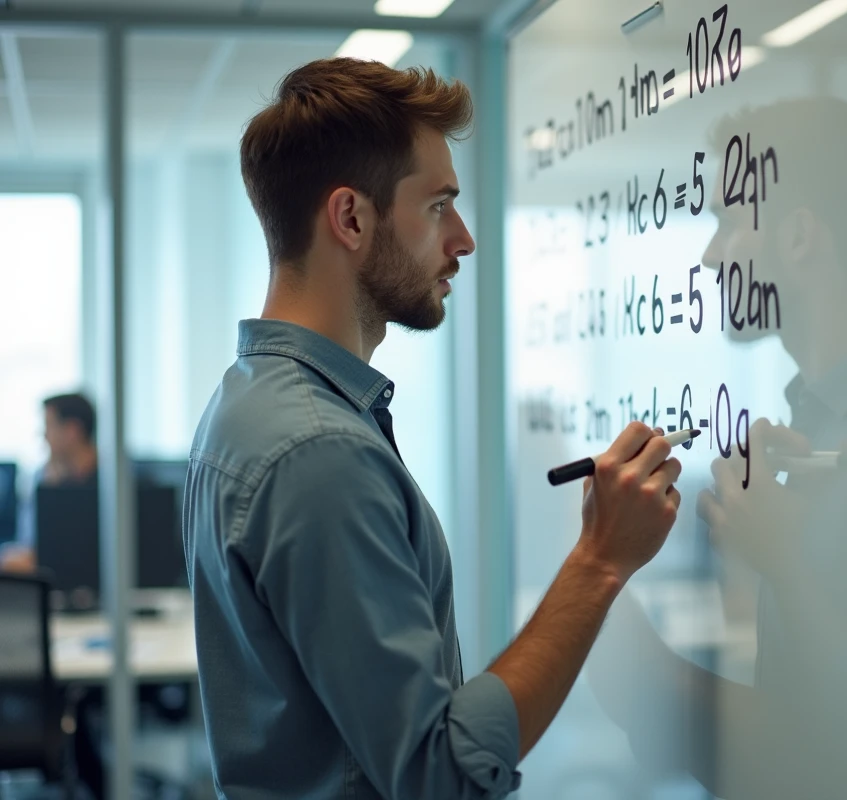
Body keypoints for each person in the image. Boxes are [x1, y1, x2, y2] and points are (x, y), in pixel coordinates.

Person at [184, 59, 682, 800]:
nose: (464, 238)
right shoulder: (317, 451)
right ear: (351, 218)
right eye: (439, 205)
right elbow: (437, 776)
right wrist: (601, 561)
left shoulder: (251, 402)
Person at [587, 96, 847, 799]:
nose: (710, 255)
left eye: (728, 222)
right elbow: (808, 731)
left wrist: (780, 557)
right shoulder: (821, 429)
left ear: (799, 237)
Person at [0, 392, 98, 573]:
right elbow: (27, 542)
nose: (44, 436)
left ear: (72, 431)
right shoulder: (45, 476)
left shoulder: (112, 486)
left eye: (48, 426)